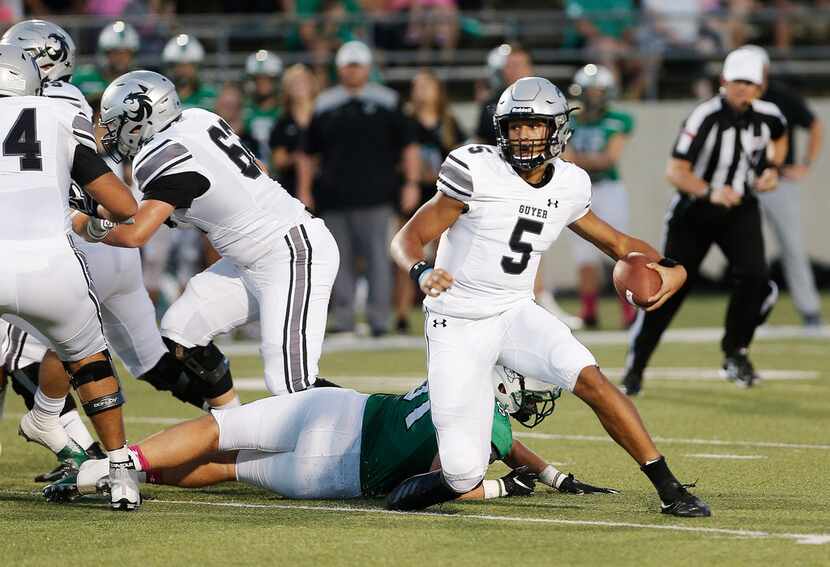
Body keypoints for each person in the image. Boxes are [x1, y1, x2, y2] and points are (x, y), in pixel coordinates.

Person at [386, 76, 710, 517]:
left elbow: (617, 243)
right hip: (458, 321)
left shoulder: (570, 185)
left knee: (590, 377)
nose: (523, 135)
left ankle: (670, 488)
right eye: (515, 126)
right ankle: (411, 486)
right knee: (462, 473)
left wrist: (673, 268)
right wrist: (422, 272)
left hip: (515, 310)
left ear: (556, 128)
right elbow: (407, 237)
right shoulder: (475, 169)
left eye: (534, 125)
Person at [1, 21, 240, 482]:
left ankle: (78, 447)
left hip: (65, 243)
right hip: (115, 249)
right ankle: (234, 416)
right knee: (153, 362)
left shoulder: (35, 105)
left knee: (26, 354)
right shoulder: (69, 101)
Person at [83, 69, 340, 396]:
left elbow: (136, 233)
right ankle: (228, 421)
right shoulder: (196, 117)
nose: (111, 132)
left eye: (117, 122)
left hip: (289, 252)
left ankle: (377, 430)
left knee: (290, 383)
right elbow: (255, 169)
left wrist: (85, 225)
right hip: (249, 258)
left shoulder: (160, 155)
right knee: (180, 331)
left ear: (142, 117)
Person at [44, 368, 617, 502]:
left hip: (339, 412)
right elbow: (433, 485)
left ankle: (119, 463)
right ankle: (123, 474)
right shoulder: (488, 428)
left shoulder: (456, 370)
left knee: (219, 429)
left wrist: (548, 471)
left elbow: (502, 441)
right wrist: (504, 491)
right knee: (228, 467)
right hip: (337, 474)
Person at [0, 45, 140, 510]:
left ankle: (47, 422)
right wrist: (92, 220)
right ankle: (120, 471)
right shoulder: (61, 114)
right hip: (50, 265)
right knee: (89, 358)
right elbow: (123, 206)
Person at [622, 48, 787, 395]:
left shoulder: (769, 115)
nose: (742, 88)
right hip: (694, 213)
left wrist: (772, 170)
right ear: (723, 81)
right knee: (668, 291)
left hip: (739, 208)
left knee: (756, 279)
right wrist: (710, 191)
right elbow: (675, 171)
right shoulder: (705, 116)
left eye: (750, 82)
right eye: (737, 81)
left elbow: (780, 137)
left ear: (760, 86)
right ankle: (636, 364)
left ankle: (735, 353)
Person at [297, 41, 420, 337]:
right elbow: (307, 152)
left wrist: (412, 183)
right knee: (338, 261)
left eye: (358, 65)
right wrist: (305, 189)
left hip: (376, 195)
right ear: (340, 68)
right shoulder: (325, 104)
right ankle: (344, 319)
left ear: (367, 68)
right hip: (333, 196)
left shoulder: (388, 101)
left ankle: (379, 320)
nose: (353, 71)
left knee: (379, 259)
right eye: (348, 66)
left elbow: (409, 146)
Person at [742, 45, 823, 327]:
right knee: (745, 251)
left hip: (777, 182)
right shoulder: (730, 99)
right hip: (740, 182)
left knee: (792, 246)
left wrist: (805, 164)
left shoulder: (780, 98)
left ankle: (810, 311)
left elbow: (814, 124)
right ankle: (751, 314)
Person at [564, 64, 635, 329]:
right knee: (584, 255)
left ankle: (628, 311)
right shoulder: (569, 119)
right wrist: (584, 161)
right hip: (580, 191)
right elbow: (568, 158)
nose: (593, 97)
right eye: (589, 91)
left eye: (598, 91)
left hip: (609, 189)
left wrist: (578, 161)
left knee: (620, 250)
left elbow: (609, 158)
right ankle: (589, 311)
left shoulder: (618, 119)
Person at [395, 69, 465, 334]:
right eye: (418, 86)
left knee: (443, 255)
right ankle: (401, 313)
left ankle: (443, 309)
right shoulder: (405, 122)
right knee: (408, 251)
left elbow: (461, 159)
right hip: (414, 193)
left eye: (428, 85)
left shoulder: (449, 122)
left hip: (443, 196)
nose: (422, 91)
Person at [269, 63, 319, 198]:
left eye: (303, 81)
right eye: (294, 82)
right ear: (287, 89)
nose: (299, 86)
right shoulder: (282, 122)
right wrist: (298, 159)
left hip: (323, 184)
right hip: (291, 187)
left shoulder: (324, 117)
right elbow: (278, 160)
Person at [72, 20, 140, 106]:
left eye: (125, 53)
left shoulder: (140, 81)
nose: (121, 58)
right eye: (115, 53)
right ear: (105, 54)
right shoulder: (83, 77)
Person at [243, 49, 283, 162]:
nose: (262, 83)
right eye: (258, 79)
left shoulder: (284, 111)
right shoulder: (243, 111)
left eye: (267, 79)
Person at [162, 33, 216, 111]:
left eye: (188, 66)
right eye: (179, 66)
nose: (183, 71)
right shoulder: (163, 96)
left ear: (197, 67)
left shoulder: (209, 95)